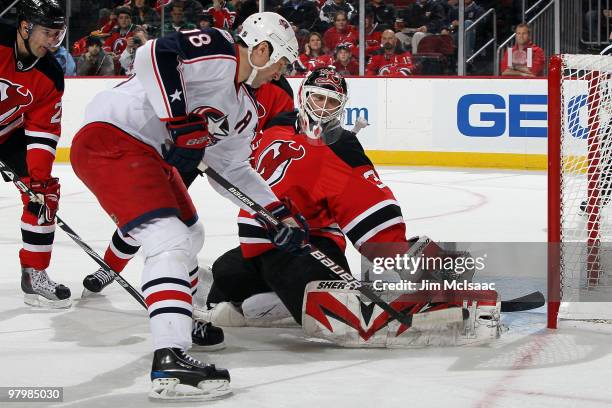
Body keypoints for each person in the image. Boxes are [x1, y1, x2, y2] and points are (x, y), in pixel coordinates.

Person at [70, 13, 304, 400]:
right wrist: (177, 119)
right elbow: (152, 54)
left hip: (148, 154)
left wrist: (275, 213)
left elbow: (231, 169)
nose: (281, 73)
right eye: (282, 61)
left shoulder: (244, 109)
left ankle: (185, 319)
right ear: (262, 49)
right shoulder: (220, 50)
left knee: (191, 233)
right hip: (113, 136)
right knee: (171, 241)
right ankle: (171, 360)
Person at [199, 67, 502, 347]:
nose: (322, 107)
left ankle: (435, 289)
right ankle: (278, 302)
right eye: (317, 97)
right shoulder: (273, 125)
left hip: (307, 246)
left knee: (314, 300)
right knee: (224, 280)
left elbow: (369, 205)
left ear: (341, 107)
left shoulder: (340, 144)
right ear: (303, 94)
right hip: (260, 247)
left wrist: (403, 255)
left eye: (331, 102)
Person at [0, 0, 70, 308]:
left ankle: (34, 272)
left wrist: (39, 180)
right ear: (25, 26)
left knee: (43, 198)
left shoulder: (51, 75)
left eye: (58, 34)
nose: (53, 41)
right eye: (47, 33)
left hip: (10, 135)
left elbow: (43, 132)